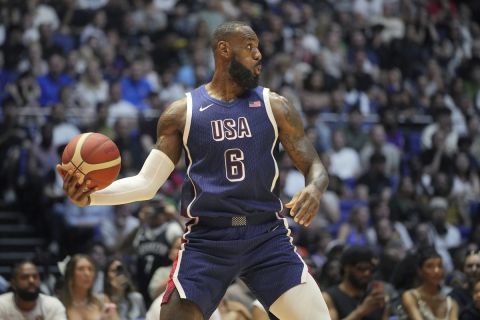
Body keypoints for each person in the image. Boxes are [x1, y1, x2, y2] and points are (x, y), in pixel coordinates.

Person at [57, 21, 331, 320]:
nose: (258, 55)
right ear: (224, 49)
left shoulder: (275, 106)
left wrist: (315, 187)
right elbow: (146, 184)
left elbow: (314, 165)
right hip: (208, 241)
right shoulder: (181, 113)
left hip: (266, 236)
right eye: (250, 46)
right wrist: (90, 198)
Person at [323, 246, 388, 320]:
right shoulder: (330, 297)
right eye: (361, 268)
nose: (367, 273)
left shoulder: (375, 297)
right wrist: (360, 312)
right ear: (346, 268)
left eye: (370, 269)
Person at [399, 246, 458, 319]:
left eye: (440, 266)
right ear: (420, 271)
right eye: (430, 266)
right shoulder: (410, 296)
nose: (437, 271)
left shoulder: (451, 303)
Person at [0, 261, 67, 319]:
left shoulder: (53, 305)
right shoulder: (2, 305)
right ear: (13, 284)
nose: (31, 281)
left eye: (35, 277)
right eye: (24, 277)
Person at [60, 254, 120, 320]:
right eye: (81, 269)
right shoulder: (60, 305)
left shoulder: (102, 301)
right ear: (71, 275)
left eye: (90, 269)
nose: (87, 273)